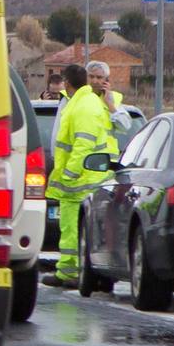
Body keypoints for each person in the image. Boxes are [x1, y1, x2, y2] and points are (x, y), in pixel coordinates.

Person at [48, 61, 123, 286]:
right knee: (72, 227)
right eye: (92, 76)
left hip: (84, 178)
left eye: (100, 77)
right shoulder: (78, 101)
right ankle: (69, 270)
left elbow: (83, 143)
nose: (96, 81)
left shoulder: (85, 105)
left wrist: (70, 173)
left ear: (67, 83)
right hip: (86, 176)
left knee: (83, 228)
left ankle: (79, 272)